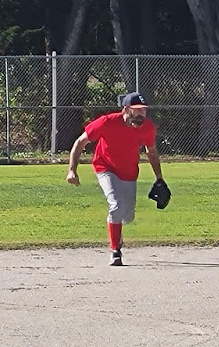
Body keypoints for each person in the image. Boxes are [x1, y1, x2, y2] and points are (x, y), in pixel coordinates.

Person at [66, 92, 166, 266]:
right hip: (105, 167)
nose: (141, 114)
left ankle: (117, 232)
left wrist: (159, 178)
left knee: (127, 216)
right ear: (126, 110)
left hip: (129, 172)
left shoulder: (147, 127)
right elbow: (80, 143)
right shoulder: (107, 122)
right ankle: (115, 251)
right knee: (116, 205)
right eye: (137, 110)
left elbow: (151, 152)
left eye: (143, 110)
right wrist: (72, 170)